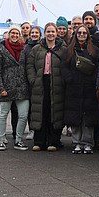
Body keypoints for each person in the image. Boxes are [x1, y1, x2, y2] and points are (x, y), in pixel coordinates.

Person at [27, 23, 66, 151]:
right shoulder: (37, 48)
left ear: (56, 33)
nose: (50, 34)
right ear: (45, 33)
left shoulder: (63, 48)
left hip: (56, 83)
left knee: (54, 111)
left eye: (52, 31)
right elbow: (30, 65)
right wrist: (33, 80)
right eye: (48, 31)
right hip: (40, 82)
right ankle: (39, 141)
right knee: (40, 111)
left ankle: (53, 141)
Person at [61, 25, 99, 154]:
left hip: (89, 88)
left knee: (88, 117)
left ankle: (88, 143)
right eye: (79, 33)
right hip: (73, 88)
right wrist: (69, 79)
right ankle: (76, 142)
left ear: (88, 35)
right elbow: (64, 67)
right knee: (75, 116)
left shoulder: (94, 50)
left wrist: (93, 80)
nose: (81, 35)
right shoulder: (69, 50)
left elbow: (98, 67)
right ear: (75, 34)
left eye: (84, 33)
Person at [0, 26, 30, 151]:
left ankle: (19, 139)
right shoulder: (1, 49)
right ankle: (1, 139)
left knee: (23, 115)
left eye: (17, 33)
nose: (14, 35)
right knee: (3, 115)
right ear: (8, 34)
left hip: (22, 87)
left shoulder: (24, 49)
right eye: (12, 33)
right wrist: (0, 87)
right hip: (6, 87)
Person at [23, 26, 42, 140]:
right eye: (32, 32)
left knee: (38, 106)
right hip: (29, 80)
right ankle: (31, 129)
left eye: (36, 32)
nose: (34, 34)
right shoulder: (26, 48)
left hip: (40, 79)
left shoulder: (43, 46)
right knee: (30, 107)